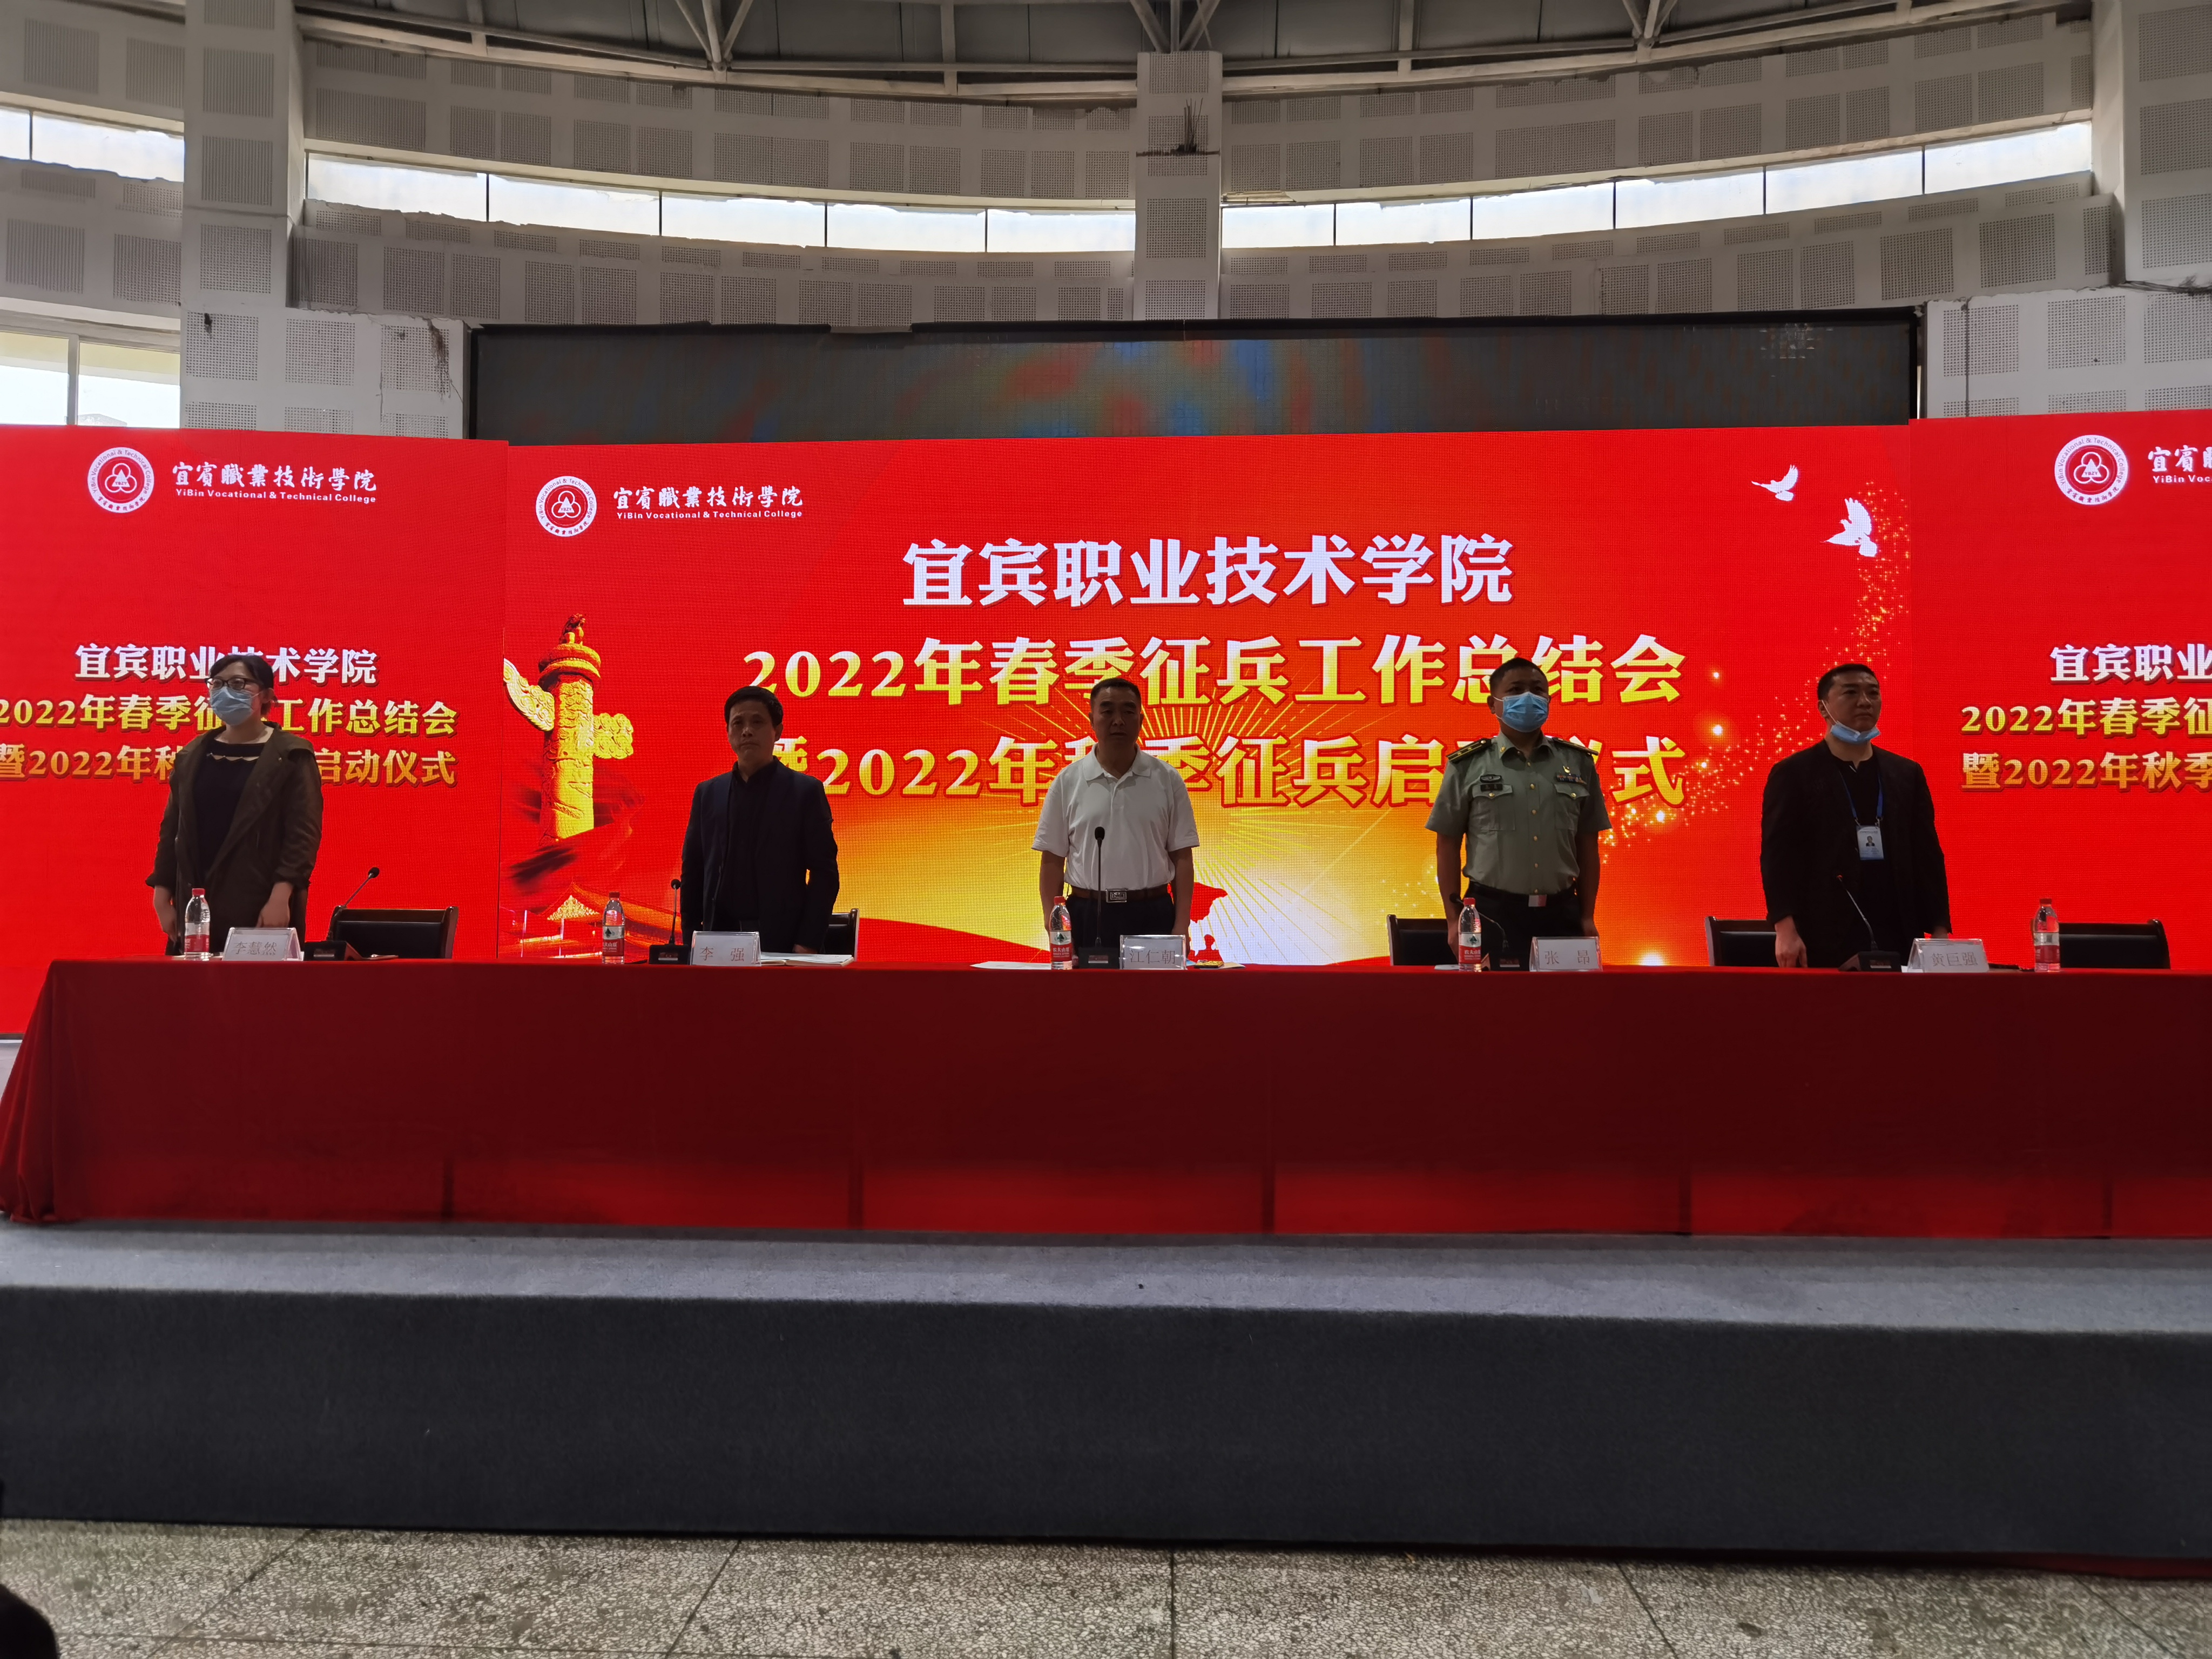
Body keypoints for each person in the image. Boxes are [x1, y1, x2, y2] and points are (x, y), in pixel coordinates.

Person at [1761, 662, 1950, 968]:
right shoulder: (1794, 773)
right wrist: (1785, 929)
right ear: (1823, 708)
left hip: (1898, 928)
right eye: (1851, 693)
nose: (1865, 701)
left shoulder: (1906, 773)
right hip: (1823, 930)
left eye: (1873, 693)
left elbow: (1927, 855)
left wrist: (1939, 930)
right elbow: (1778, 856)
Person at [1428, 656, 1608, 968]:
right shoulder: (1467, 765)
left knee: (1566, 998)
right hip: (1491, 914)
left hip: (1562, 912)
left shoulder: (1578, 763)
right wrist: (1454, 920)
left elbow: (1588, 845)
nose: (1528, 697)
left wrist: (1587, 916)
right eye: (1515, 690)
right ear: (1493, 704)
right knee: (1495, 999)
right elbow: (1447, 845)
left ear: (1549, 700)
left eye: (1538, 690)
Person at [149, 653, 323, 953]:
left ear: (266, 695)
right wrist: (162, 894)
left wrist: (281, 896)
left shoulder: (291, 755)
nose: (225, 691)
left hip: (259, 898)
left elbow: (302, 835)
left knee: (253, 981)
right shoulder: (193, 755)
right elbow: (173, 829)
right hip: (196, 901)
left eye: (239, 683)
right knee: (194, 981)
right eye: (217, 684)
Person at [1034, 677, 1199, 959]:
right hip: (1088, 914)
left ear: (1141, 720)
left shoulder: (1167, 779)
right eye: (1108, 711)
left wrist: (1182, 924)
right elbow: (1052, 861)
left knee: (1155, 989)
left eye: (1128, 711)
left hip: (1153, 912)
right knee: (1090, 989)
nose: (1118, 720)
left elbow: (1182, 858)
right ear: (1092, 720)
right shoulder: (1069, 781)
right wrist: (1056, 928)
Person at [679, 686, 839, 953]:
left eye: (757, 722)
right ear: (728, 732)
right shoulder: (708, 793)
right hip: (717, 942)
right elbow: (693, 871)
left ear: (777, 731)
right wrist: (690, 941)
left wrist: (807, 942)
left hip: (784, 943)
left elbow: (825, 874)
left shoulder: (804, 792)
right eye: (738, 723)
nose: (747, 731)